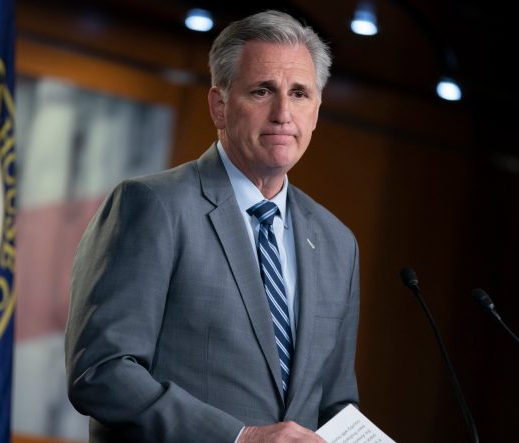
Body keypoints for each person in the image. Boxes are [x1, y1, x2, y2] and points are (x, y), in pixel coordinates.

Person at [65, 10, 360, 443]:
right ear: (219, 106)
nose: (283, 113)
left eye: (299, 94)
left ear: (315, 112)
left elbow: (335, 403)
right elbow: (102, 371)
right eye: (263, 91)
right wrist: (240, 437)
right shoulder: (152, 206)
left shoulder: (338, 243)